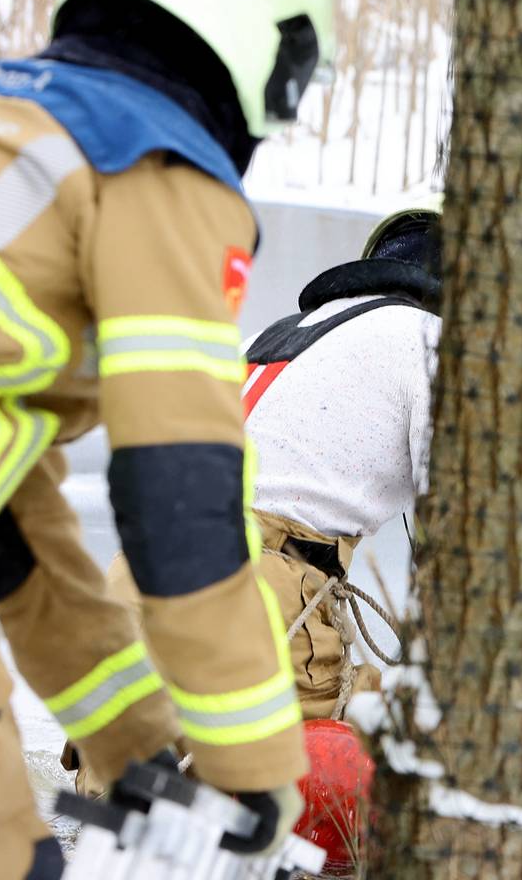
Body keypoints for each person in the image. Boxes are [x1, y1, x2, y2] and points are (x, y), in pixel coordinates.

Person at [0, 0, 335, 876]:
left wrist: (139, 758)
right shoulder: (152, 168)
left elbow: (22, 552)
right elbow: (178, 502)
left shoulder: (22, 129)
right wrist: (256, 770)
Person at [70, 204, 443, 821]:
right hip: (259, 594)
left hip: (130, 586)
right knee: (404, 765)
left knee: (134, 816)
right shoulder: (429, 343)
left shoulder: (274, 334)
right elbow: (460, 538)